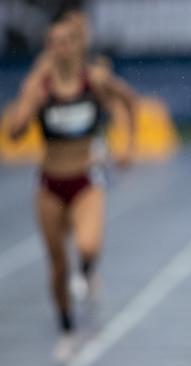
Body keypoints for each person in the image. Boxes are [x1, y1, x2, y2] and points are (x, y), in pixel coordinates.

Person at [5, 15, 137, 362]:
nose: (61, 48)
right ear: (48, 49)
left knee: (88, 245)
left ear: (79, 45)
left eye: (67, 41)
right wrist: (28, 99)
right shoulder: (40, 86)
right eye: (54, 43)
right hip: (49, 182)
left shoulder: (94, 80)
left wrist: (128, 146)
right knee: (57, 265)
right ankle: (66, 330)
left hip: (85, 179)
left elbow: (129, 101)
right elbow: (14, 133)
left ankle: (89, 271)